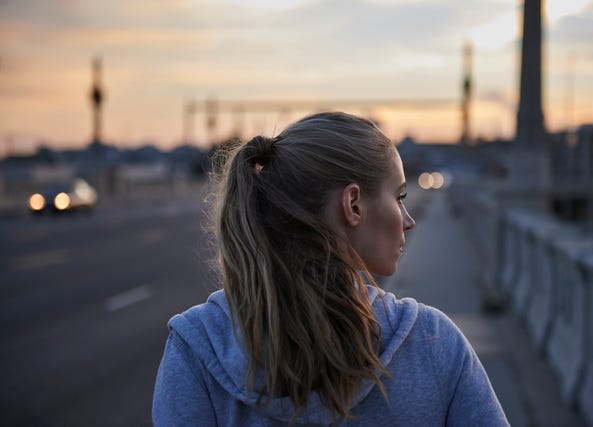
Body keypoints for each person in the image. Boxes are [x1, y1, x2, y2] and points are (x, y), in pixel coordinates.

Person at [152, 112, 508, 426]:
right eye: (399, 198)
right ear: (353, 203)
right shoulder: (432, 344)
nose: (409, 220)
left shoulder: (196, 349)